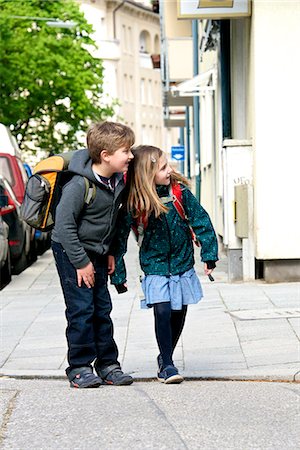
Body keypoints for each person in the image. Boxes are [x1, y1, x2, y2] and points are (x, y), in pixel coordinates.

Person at [111, 145, 218, 384]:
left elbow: (201, 221)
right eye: (163, 167)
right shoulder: (135, 202)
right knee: (163, 310)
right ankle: (168, 365)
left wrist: (209, 255)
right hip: (154, 265)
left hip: (182, 263)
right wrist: (118, 275)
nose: (170, 170)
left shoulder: (179, 192)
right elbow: (118, 241)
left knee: (178, 312)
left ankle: (164, 356)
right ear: (147, 173)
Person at [51, 121, 135, 388]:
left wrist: (110, 252)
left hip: (97, 253)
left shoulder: (116, 181)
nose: (131, 156)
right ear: (106, 156)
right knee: (81, 309)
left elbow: (111, 220)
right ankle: (79, 366)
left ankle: (108, 364)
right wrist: (81, 262)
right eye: (126, 151)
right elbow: (63, 227)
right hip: (71, 251)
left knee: (102, 308)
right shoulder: (79, 185)